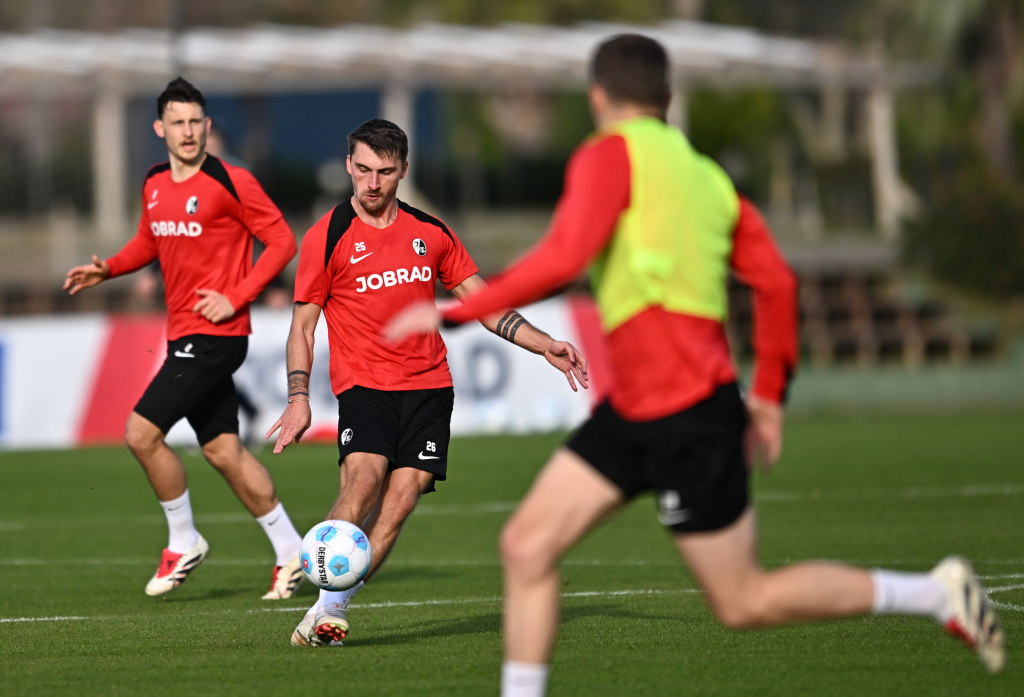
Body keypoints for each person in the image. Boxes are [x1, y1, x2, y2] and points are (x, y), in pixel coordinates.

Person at [385, 34, 1005, 695]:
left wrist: (451, 312)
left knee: (742, 600)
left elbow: (567, 255)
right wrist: (767, 395)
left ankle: (934, 593)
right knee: (527, 546)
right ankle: (936, 593)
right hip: (648, 408)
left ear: (597, 96)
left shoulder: (607, 154)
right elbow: (778, 286)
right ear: (668, 99)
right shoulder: (711, 180)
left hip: (683, 412)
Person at [266, 118, 589, 647]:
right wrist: (299, 398)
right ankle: (325, 604)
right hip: (365, 388)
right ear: (349, 165)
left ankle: (328, 613)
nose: (371, 184)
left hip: (430, 389)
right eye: (363, 170)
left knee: (401, 502)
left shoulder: (431, 233)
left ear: (403, 171)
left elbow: (483, 304)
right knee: (363, 482)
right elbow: (302, 324)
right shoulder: (327, 236)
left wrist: (544, 342)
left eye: (385, 173)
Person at [64, 77, 306, 601]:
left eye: (196, 121)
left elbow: (283, 240)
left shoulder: (231, 181)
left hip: (218, 334)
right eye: (178, 122)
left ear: (207, 125)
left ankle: (184, 539)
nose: (188, 131)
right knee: (224, 452)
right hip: (184, 335)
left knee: (140, 433)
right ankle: (291, 552)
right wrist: (109, 270)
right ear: (160, 128)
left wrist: (234, 296)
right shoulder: (153, 182)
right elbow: (147, 242)